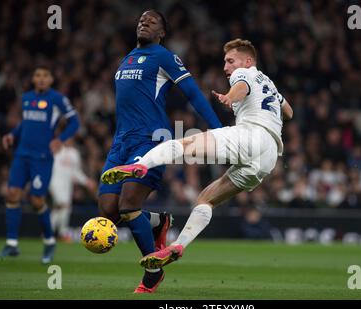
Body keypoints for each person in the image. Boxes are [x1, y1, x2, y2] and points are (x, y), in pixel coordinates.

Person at [101, 38, 293, 274]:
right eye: (225, 62)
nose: (226, 66)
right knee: (205, 200)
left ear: (248, 61)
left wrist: (229, 97)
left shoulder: (244, 73)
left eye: (230, 60)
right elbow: (289, 111)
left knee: (184, 143)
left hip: (252, 135)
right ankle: (178, 245)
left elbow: (241, 85)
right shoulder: (270, 84)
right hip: (269, 157)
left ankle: (139, 166)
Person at [98, 10, 222, 293]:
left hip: (150, 141)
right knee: (108, 213)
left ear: (162, 33)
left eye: (152, 21)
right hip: (120, 143)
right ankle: (159, 221)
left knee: (128, 205)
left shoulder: (165, 57)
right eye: (141, 19)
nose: (144, 22)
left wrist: (217, 129)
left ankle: (153, 272)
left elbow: (192, 93)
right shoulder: (127, 57)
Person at [0, 66, 80, 264]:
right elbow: (24, 123)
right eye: (37, 75)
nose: (41, 79)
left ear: (51, 79)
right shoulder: (26, 98)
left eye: (45, 75)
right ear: (33, 79)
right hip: (22, 154)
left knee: (36, 200)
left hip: (41, 157)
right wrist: (12, 135)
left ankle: (50, 241)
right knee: (12, 195)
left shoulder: (57, 99)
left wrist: (61, 139)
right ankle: (11, 244)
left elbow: (75, 122)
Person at [50, 139, 97, 242]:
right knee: (61, 204)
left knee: (64, 208)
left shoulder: (74, 153)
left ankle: (56, 232)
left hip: (67, 185)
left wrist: (87, 182)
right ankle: (53, 233)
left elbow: (76, 172)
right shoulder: (56, 150)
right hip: (54, 181)